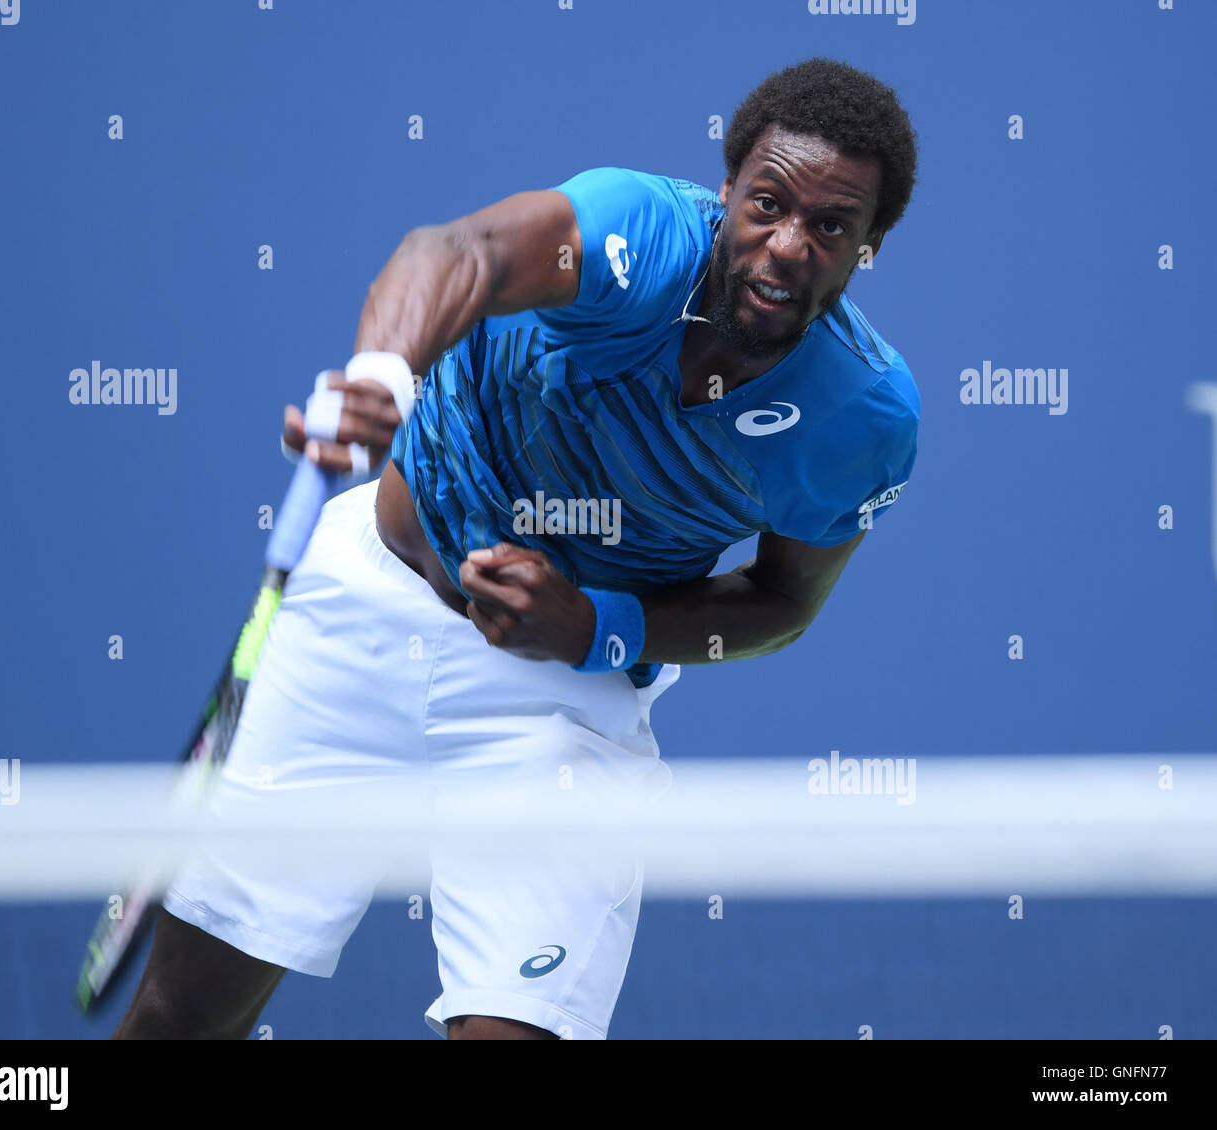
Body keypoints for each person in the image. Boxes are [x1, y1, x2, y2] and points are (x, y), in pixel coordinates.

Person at [113, 56, 920, 1041]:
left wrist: (595, 626)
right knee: (180, 1020)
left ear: (869, 246)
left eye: (830, 226)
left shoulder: (860, 418)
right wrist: (383, 374)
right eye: (766, 203)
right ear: (726, 192)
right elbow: (458, 252)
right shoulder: (630, 238)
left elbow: (783, 602)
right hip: (359, 611)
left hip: (559, 697)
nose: (788, 243)